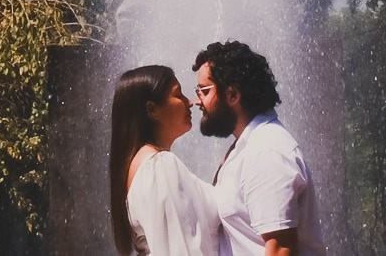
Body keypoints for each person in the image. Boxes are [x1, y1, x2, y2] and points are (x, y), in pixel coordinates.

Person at [194, 41, 326, 256]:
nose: (197, 101)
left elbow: (281, 249)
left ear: (233, 95)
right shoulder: (248, 147)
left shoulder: (266, 151)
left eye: (204, 91)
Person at [110, 64, 229, 256]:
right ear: (152, 109)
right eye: (178, 95)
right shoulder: (159, 167)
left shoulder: (145, 165)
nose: (189, 102)